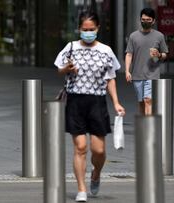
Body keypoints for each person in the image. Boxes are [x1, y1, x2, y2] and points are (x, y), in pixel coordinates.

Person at [54, 11, 125, 202]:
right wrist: (66, 69)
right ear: (79, 29)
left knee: (99, 150)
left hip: (97, 102)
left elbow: (111, 78)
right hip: (75, 101)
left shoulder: (106, 50)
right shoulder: (70, 47)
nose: (88, 33)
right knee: (80, 147)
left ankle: (96, 173)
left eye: (91, 29)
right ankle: (81, 189)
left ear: (98, 28)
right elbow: (59, 69)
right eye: (84, 30)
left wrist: (116, 102)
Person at [125, 8, 168, 115]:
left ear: (153, 21)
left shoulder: (159, 36)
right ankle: (143, 126)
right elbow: (129, 54)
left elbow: (165, 54)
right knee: (141, 102)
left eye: (148, 20)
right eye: (143, 19)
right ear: (140, 19)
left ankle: (148, 127)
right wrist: (127, 71)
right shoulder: (133, 36)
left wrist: (158, 54)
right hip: (137, 75)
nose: (145, 22)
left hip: (152, 75)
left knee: (148, 100)